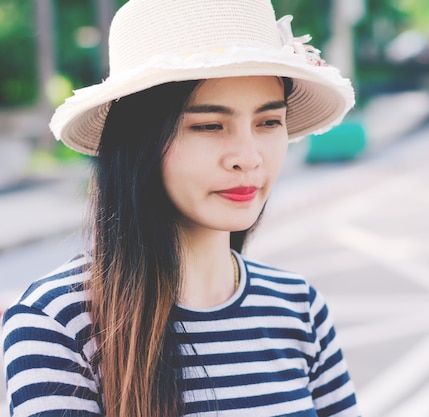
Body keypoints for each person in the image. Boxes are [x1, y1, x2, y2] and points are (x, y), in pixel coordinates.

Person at [1, 0, 358, 416]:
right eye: (208, 125)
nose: (248, 157)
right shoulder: (57, 325)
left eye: (268, 122)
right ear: (139, 143)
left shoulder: (299, 307)